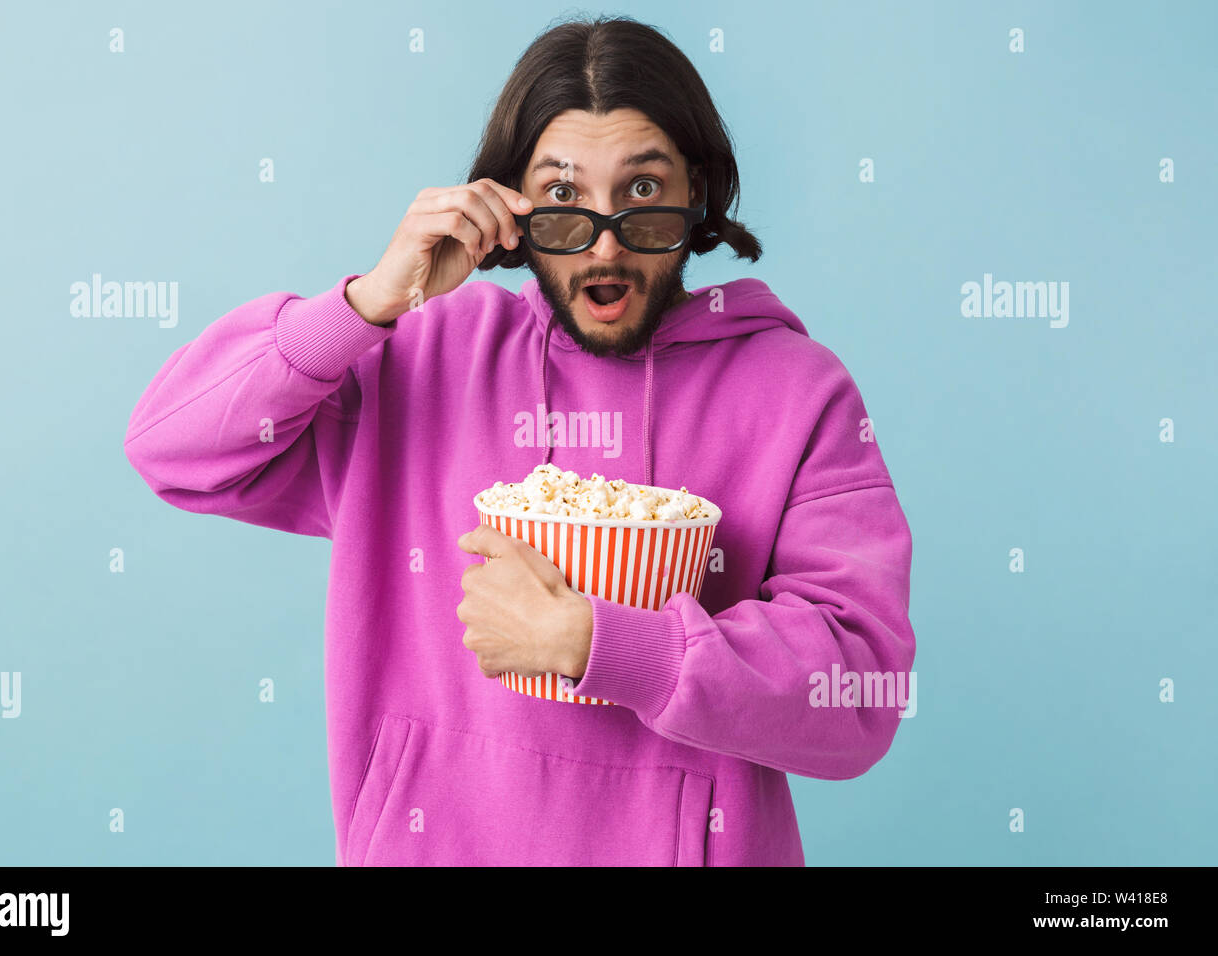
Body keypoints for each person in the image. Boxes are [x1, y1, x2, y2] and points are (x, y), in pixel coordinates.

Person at [124, 14, 915, 866]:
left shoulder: (797, 393)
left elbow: (859, 692)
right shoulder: (420, 359)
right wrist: (366, 305)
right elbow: (172, 446)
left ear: (699, 191)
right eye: (565, 198)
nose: (606, 244)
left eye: (643, 194)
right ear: (511, 203)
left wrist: (605, 646)